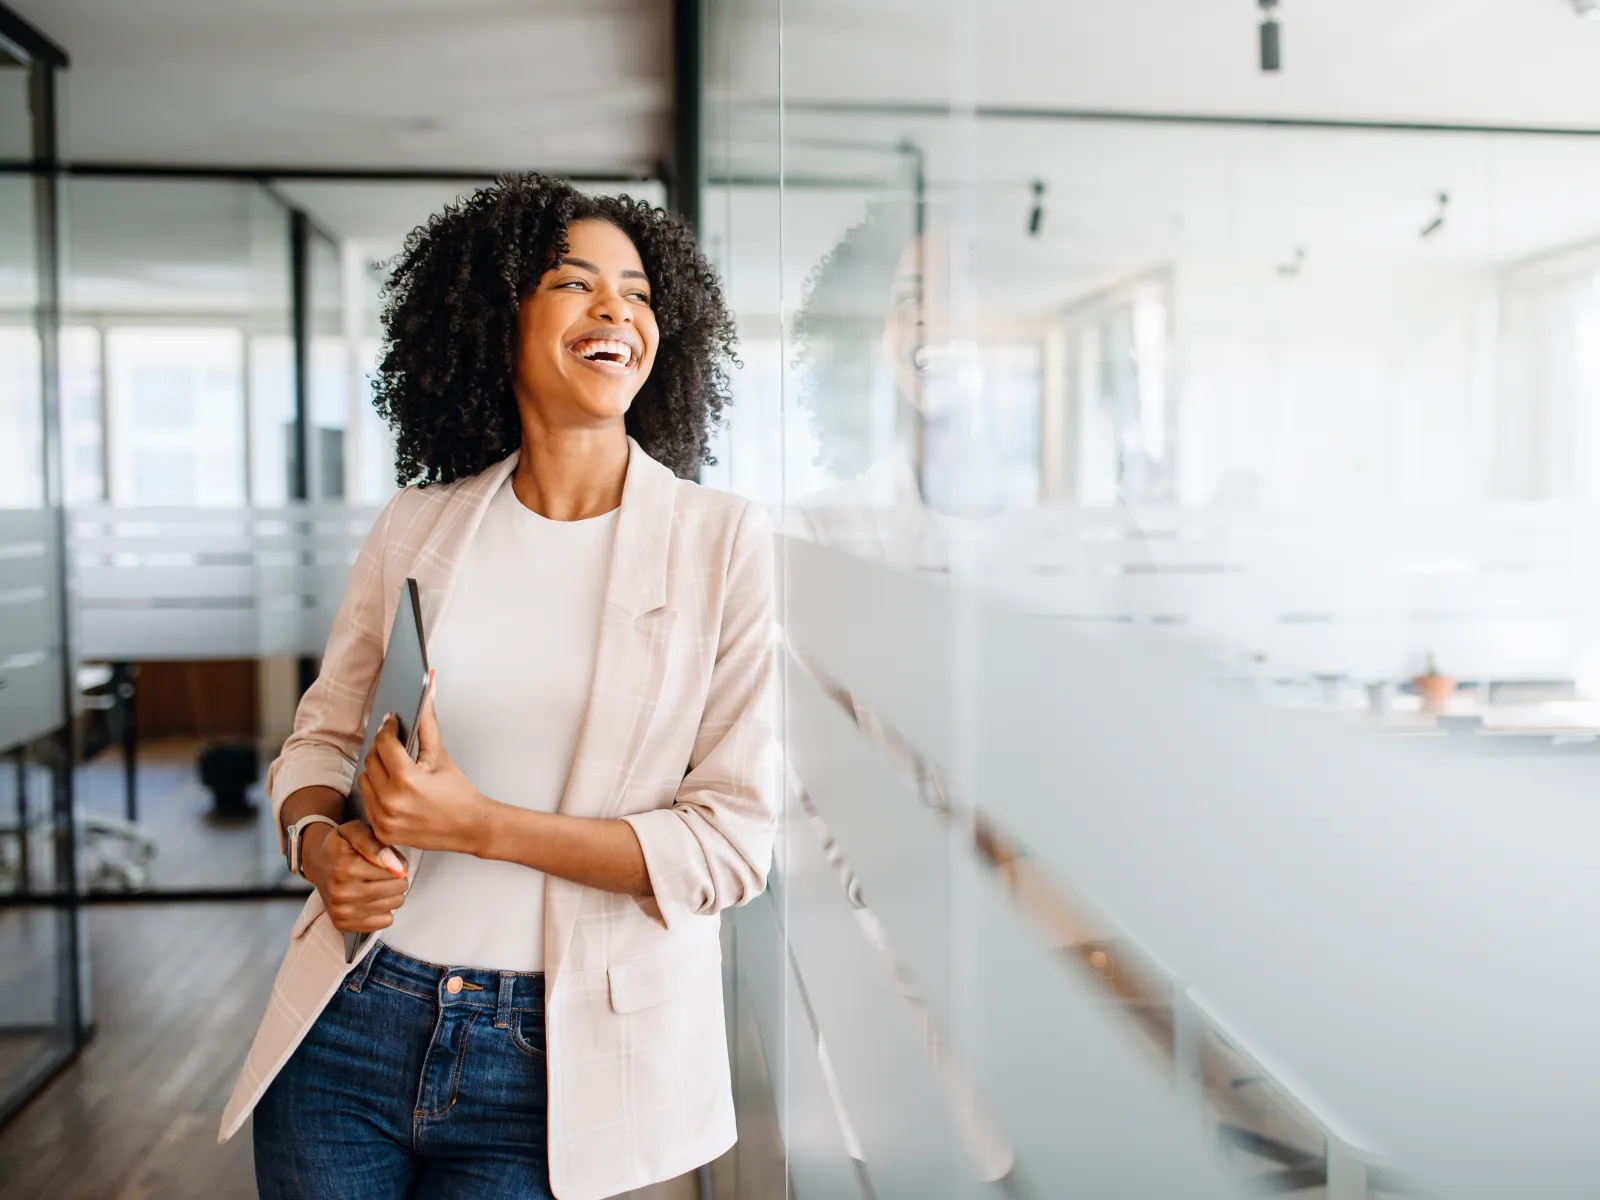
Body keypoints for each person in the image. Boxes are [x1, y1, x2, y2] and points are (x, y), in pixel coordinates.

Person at [219, 174, 778, 1200]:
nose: (617, 308)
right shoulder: (417, 525)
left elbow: (732, 847)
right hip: (356, 1016)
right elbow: (320, 744)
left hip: (557, 1065)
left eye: (639, 291)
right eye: (574, 283)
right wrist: (318, 842)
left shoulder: (720, 540)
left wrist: (479, 825)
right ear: (497, 319)